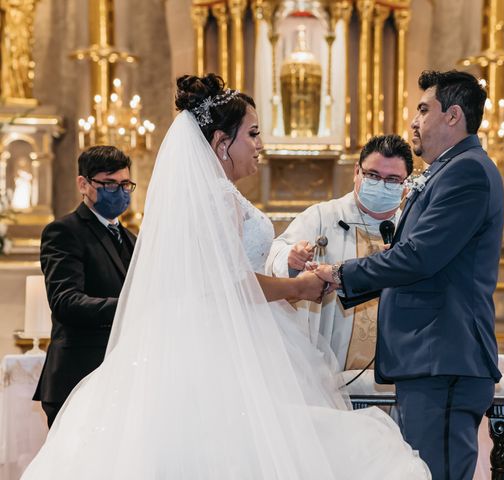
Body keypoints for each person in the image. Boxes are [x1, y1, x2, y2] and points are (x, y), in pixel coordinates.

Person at [22, 74, 430, 479]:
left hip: (206, 337)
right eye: (251, 134)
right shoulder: (218, 199)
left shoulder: (213, 197)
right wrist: (298, 287)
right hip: (221, 343)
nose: (259, 144)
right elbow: (229, 285)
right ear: (221, 143)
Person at [316, 70, 504, 480]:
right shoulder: (449, 169)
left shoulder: (466, 172)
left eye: (423, 109)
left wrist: (338, 273)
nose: (414, 121)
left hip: (445, 355)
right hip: (431, 359)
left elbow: (418, 258)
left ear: (453, 116)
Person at [266, 134, 412, 371]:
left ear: (405, 186)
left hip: (397, 370)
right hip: (329, 369)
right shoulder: (324, 217)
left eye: (392, 179)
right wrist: (291, 259)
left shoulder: (412, 230)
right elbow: (276, 252)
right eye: (373, 175)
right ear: (357, 172)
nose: (381, 185)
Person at [33, 146, 137, 428]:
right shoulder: (64, 232)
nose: (120, 192)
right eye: (109, 184)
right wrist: (132, 306)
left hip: (121, 376)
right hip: (78, 375)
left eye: (125, 184)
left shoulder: (131, 238)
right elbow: (66, 301)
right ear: (84, 183)